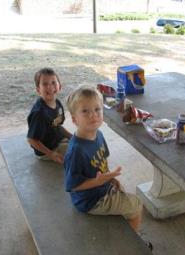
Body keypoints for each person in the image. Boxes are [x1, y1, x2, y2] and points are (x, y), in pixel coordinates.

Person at [64, 86, 143, 232]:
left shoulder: (98, 134)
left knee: (123, 192)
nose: (92, 115)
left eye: (97, 109)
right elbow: (72, 186)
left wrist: (109, 179)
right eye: (85, 111)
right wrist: (98, 181)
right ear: (75, 119)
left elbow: (102, 163)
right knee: (136, 204)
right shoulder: (76, 151)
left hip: (102, 188)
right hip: (90, 200)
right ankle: (132, 245)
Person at [27, 67, 72, 164]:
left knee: (82, 141)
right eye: (45, 84)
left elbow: (57, 125)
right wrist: (50, 154)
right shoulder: (39, 113)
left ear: (60, 86)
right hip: (48, 150)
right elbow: (31, 140)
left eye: (53, 83)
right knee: (79, 153)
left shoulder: (58, 104)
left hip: (57, 140)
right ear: (38, 90)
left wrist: (71, 136)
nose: (50, 87)